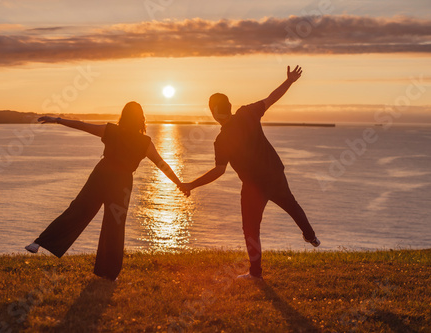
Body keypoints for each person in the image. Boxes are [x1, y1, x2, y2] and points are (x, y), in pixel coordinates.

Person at [183, 66, 320, 280]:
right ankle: (311, 236)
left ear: (214, 112)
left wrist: (191, 185)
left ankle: (255, 273)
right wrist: (289, 81)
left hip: (254, 186)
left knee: (251, 229)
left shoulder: (222, 140)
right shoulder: (247, 113)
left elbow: (219, 171)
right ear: (229, 106)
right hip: (275, 174)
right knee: (291, 205)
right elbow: (271, 98)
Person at [25, 102, 189, 281]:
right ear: (141, 119)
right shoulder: (145, 142)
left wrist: (57, 120)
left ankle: (38, 243)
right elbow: (162, 164)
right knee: (115, 226)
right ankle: (109, 273)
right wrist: (179, 183)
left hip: (101, 175)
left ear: (123, 116)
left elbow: (82, 126)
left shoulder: (111, 130)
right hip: (122, 183)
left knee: (78, 210)